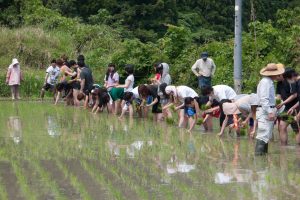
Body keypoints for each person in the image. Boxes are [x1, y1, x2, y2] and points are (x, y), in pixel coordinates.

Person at [255, 63, 285, 156]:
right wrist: (270, 112)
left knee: (266, 136)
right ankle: (259, 162)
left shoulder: (268, 81)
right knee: (263, 136)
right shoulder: (266, 82)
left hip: (267, 110)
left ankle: (263, 160)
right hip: (265, 112)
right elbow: (264, 99)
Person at [276, 68, 298, 145]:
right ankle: (284, 148)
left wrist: (282, 103)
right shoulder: (279, 83)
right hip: (288, 107)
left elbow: (294, 95)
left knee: (296, 129)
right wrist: (277, 102)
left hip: (296, 107)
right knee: (282, 126)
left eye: (278, 75)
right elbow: (278, 95)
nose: (276, 77)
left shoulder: (291, 81)